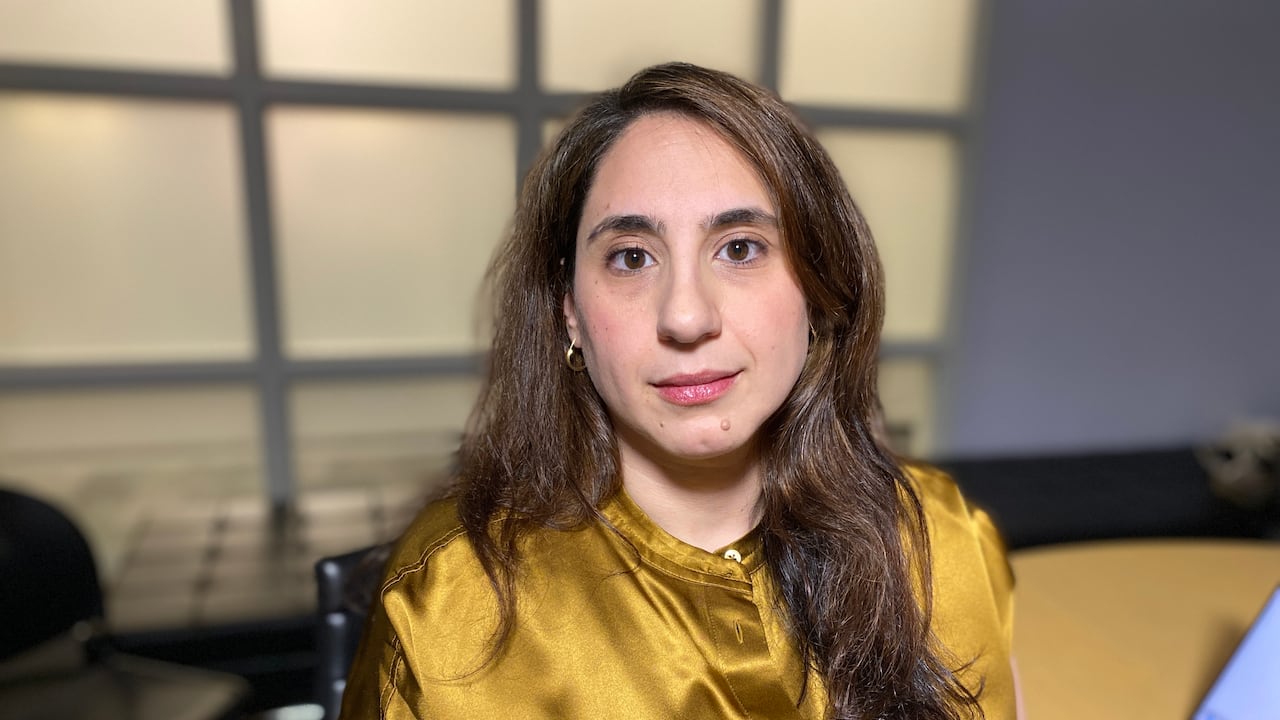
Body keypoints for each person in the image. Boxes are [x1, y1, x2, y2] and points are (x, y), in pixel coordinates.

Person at [340, 62, 1015, 720]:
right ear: (568, 310)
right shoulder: (446, 597)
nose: (687, 317)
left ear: (817, 286)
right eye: (632, 257)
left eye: (741, 248)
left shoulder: (945, 544)